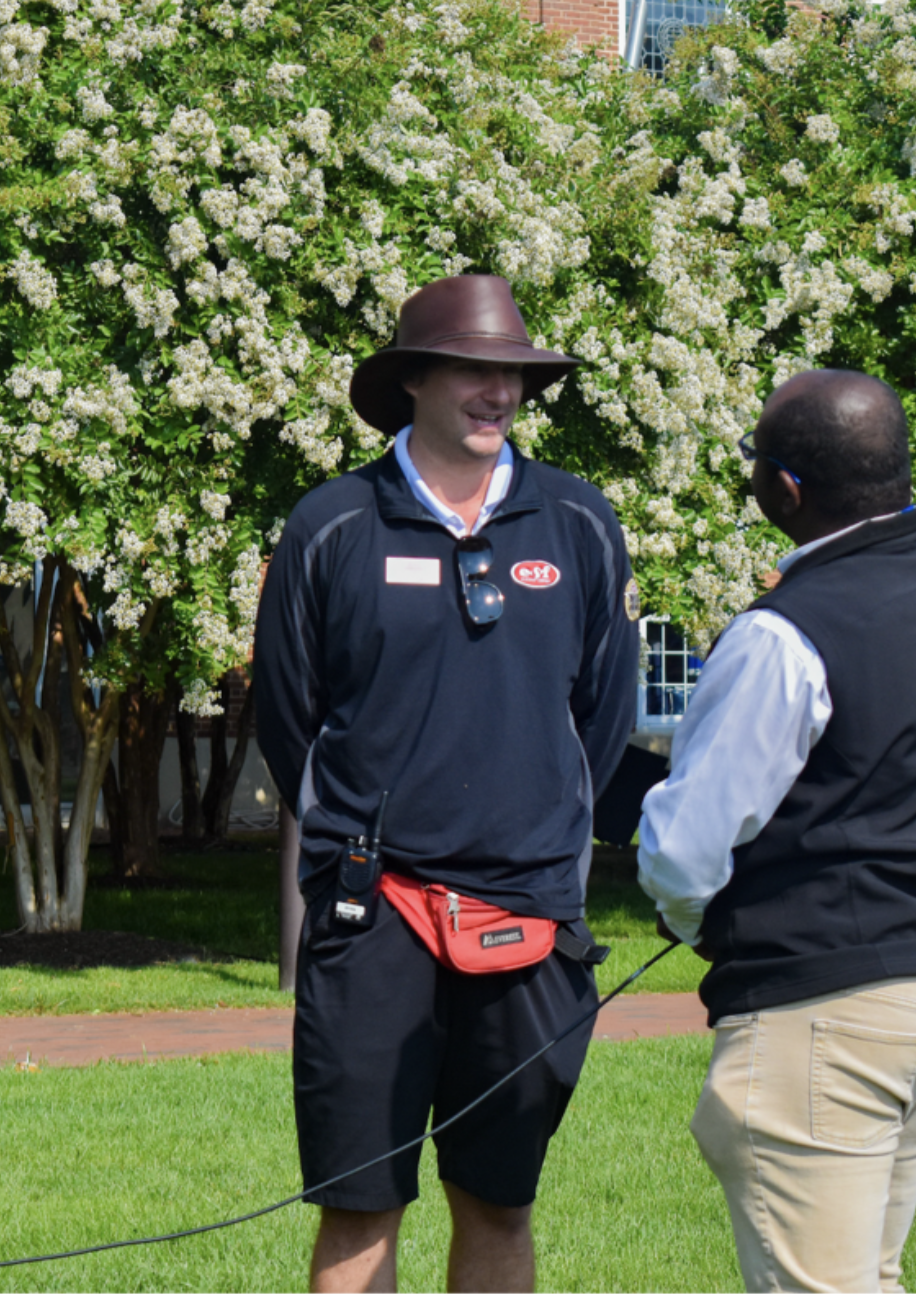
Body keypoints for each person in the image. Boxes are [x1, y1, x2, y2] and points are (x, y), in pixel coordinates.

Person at [254, 275, 639, 1294]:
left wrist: (532, 826)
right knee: (358, 1202)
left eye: (511, 374)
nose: (496, 392)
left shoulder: (577, 520)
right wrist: (360, 836)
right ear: (412, 378)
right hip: (370, 909)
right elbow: (287, 720)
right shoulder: (332, 525)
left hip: (527, 919)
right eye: (473, 369)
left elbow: (601, 715)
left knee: (498, 1201)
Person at [636, 369, 916, 1293]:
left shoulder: (784, 633)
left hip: (827, 1016)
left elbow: (686, 846)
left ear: (786, 488)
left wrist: (697, 924)